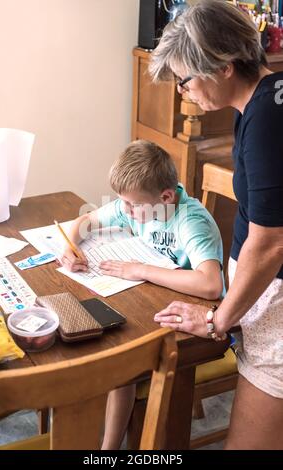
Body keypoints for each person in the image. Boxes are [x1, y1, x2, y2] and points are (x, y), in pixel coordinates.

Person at [151, 0, 283, 450]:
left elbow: (270, 245)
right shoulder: (267, 96)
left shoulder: (267, 118)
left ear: (224, 65)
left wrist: (217, 321)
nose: (182, 92)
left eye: (185, 80)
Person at [60, 139, 224, 449]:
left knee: (123, 364)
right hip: (150, 302)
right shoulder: (139, 205)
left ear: (165, 196)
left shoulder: (191, 222)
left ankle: (108, 450)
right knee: (107, 346)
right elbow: (85, 221)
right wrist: (70, 246)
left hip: (196, 322)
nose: (125, 211)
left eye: (132, 205)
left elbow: (211, 284)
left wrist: (141, 270)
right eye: (122, 203)